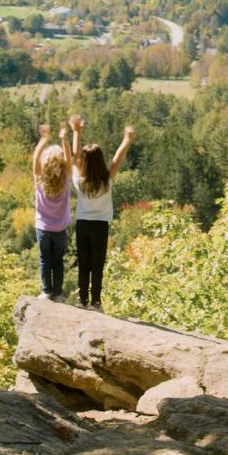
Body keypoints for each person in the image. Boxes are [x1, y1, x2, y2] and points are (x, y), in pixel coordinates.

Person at [69, 114, 134, 311]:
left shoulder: (79, 181)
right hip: (100, 226)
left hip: (83, 224)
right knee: (97, 264)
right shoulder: (107, 180)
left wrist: (76, 132)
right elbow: (117, 159)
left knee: (84, 264)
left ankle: (82, 300)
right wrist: (127, 139)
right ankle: (96, 302)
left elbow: (74, 155)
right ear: (100, 161)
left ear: (84, 163)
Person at [31, 122, 71, 301]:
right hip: (60, 229)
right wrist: (64, 138)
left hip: (43, 229)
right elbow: (69, 160)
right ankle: (58, 293)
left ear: (44, 164)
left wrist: (44, 139)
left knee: (45, 260)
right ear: (62, 165)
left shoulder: (39, 178)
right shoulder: (66, 179)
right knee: (58, 262)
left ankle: (46, 292)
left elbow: (35, 159)